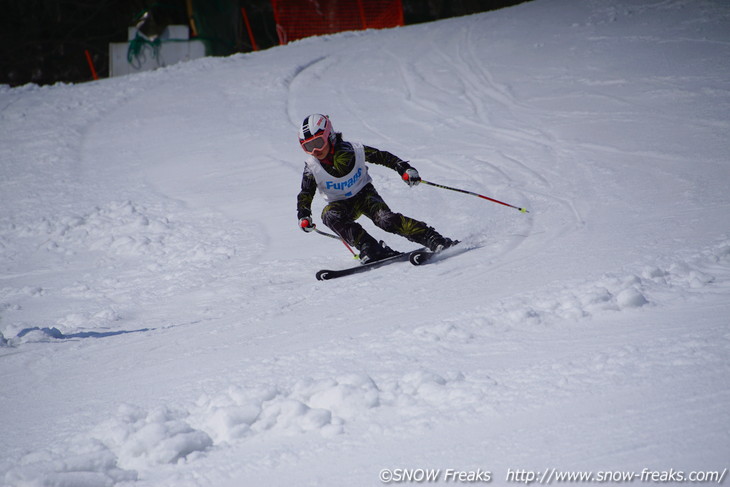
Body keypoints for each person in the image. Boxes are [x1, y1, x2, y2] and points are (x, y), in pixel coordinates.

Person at [296, 114, 456, 263]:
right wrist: (304, 216)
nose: (315, 151)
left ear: (329, 135)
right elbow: (305, 193)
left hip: (365, 195)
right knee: (329, 215)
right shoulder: (312, 167)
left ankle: (431, 238)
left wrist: (404, 169)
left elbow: (383, 157)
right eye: (308, 147)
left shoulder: (354, 150)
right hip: (342, 205)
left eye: (318, 143)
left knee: (385, 220)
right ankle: (370, 247)